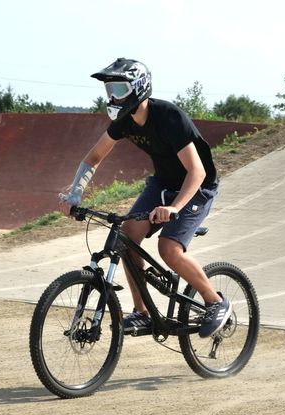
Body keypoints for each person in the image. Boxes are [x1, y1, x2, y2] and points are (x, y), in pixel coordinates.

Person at [60, 58, 231, 338]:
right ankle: (143, 313)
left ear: (139, 88)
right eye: (109, 91)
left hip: (197, 186)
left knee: (169, 249)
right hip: (162, 184)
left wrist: (174, 208)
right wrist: (75, 192)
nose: (113, 97)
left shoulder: (168, 116)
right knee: (125, 239)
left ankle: (215, 301)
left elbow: (196, 171)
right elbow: (93, 157)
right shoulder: (124, 122)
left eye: (118, 89)